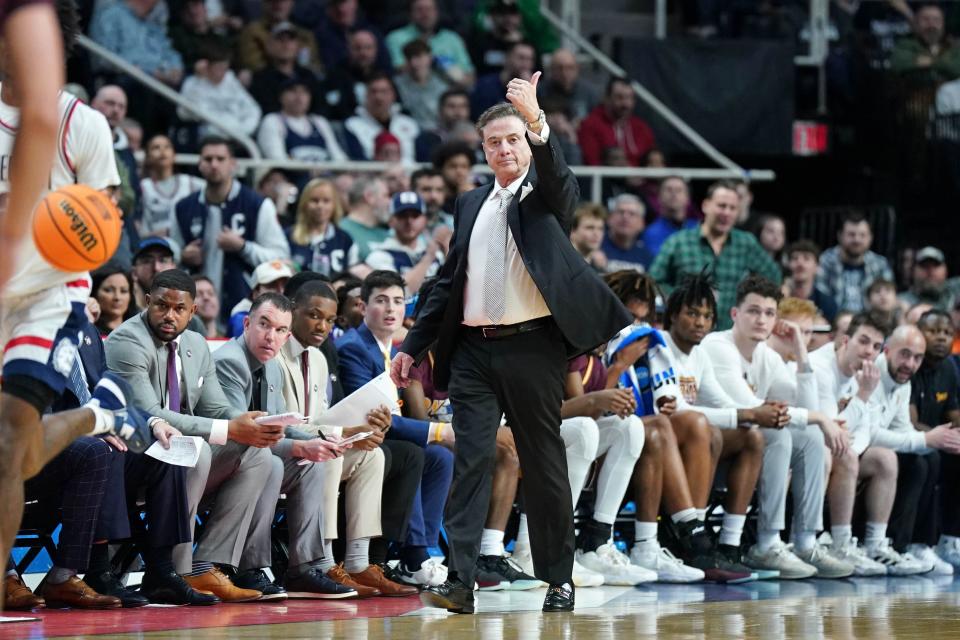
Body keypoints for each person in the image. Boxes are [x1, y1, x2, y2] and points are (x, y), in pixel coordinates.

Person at [391, 72, 633, 614]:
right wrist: (414, 343)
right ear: (483, 150)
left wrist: (538, 120)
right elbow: (449, 281)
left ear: (527, 144)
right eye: (494, 142)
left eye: (512, 139)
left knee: (543, 462)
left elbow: (566, 192)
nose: (503, 148)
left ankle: (558, 579)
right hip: (475, 349)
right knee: (471, 457)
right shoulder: (469, 203)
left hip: (533, 348)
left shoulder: (543, 195)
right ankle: (460, 578)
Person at [0, 0, 153, 606]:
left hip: (46, 296)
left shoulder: (79, 124)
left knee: (11, 441)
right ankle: (99, 414)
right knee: (15, 448)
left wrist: (59, 224)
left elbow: (105, 219)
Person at [103, 269, 279, 603]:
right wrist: (228, 429)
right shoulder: (127, 341)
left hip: (181, 453)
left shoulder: (196, 344)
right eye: (161, 306)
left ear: (192, 311)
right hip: (136, 455)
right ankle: (176, 570)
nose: (169, 315)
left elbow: (215, 409)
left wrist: (246, 425)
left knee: (257, 454)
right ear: (146, 301)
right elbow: (150, 411)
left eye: (178, 309)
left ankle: (208, 564)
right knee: (198, 450)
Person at [701, 275, 853, 579]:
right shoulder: (718, 346)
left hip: (748, 444)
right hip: (711, 445)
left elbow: (807, 408)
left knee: (809, 436)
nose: (762, 320)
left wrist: (800, 350)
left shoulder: (767, 356)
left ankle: (805, 543)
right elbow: (752, 410)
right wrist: (819, 418)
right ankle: (767, 544)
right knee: (778, 432)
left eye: (769, 313)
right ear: (735, 314)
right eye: (754, 311)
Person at [278, 281, 420, 597]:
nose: (322, 326)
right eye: (314, 316)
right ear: (292, 311)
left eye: (329, 320)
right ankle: (323, 561)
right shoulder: (275, 354)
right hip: (287, 452)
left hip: (317, 444)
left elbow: (323, 418)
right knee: (330, 453)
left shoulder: (317, 358)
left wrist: (361, 432)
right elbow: (286, 425)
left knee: (374, 455)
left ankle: (358, 561)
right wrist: (343, 435)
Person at [212, 292, 357, 599]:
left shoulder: (273, 366)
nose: (270, 336)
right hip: (216, 459)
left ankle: (303, 568)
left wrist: (320, 442)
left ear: (287, 335)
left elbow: (278, 427)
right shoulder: (229, 362)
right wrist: (301, 447)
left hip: (250, 457)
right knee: (270, 462)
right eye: (264, 325)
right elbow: (245, 436)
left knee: (311, 466)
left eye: (279, 331)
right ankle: (251, 568)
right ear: (248, 324)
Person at [657, 273, 782, 581]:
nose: (700, 322)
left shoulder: (699, 354)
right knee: (702, 425)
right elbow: (678, 409)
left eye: (707, 316)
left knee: (751, 436)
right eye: (692, 314)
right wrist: (749, 413)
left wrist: (753, 415)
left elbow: (724, 403)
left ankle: (729, 543)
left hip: (690, 439)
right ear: (673, 315)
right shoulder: (658, 346)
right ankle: (692, 535)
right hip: (658, 439)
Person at [337, 271, 454, 589]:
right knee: (414, 453)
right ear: (362, 307)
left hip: (384, 438)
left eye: (398, 301)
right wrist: (440, 431)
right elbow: (375, 417)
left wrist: (439, 435)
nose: (391, 309)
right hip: (357, 438)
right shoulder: (353, 348)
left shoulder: (399, 350)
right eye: (381, 301)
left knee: (440, 459)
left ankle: (421, 554)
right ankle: (415, 555)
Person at [172, 136, 290, 321]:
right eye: (208, 159)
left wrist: (244, 247)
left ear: (233, 164)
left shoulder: (257, 204)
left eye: (220, 159)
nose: (214, 164)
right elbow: (172, 257)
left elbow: (280, 257)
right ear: (200, 164)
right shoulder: (183, 207)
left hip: (243, 306)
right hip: (194, 308)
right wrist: (182, 256)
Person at [650, 181, 782, 330]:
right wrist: (682, 297)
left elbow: (773, 276)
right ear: (705, 205)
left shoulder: (746, 243)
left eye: (732, 208)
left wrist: (751, 302)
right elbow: (654, 281)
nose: (726, 213)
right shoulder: (678, 242)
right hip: (686, 333)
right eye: (721, 206)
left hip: (730, 334)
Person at [902, 310, 960, 573]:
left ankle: (949, 540)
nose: (941, 338)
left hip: (936, 440)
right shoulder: (909, 364)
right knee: (930, 458)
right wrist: (942, 438)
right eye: (934, 331)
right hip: (907, 440)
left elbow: (954, 414)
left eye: (947, 333)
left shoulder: (949, 367)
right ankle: (917, 543)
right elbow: (909, 421)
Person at [364, 192, 445, 294]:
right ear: (391, 221)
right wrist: (427, 259)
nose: (409, 221)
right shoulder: (379, 256)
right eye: (403, 216)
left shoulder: (436, 254)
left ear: (424, 220)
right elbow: (401, 292)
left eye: (415, 215)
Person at [815, 212, 894, 313]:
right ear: (840, 236)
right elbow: (820, 298)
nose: (857, 240)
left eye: (862, 235)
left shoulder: (880, 264)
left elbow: (889, 300)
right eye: (851, 234)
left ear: (870, 238)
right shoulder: (825, 261)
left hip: (871, 323)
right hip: (833, 322)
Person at [178, 45, 262, 139]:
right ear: (207, 66)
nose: (222, 73)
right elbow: (183, 113)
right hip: (206, 136)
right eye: (218, 68)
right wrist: (200, 80)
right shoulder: (192, 83)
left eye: (225, 68)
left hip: (237, 136)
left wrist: (243, 132)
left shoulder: (230, 80)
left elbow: (252, 110)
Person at [256, 78, 349, 164]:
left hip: (326, 178)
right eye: (293, 91)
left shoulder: (319, 122)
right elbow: (277, 161)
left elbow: (339, 158)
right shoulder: (272, 121)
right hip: (292, 179)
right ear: (281, 97)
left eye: (304, 92)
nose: (299, 97)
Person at [385, 0, 475, 86]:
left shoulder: (452, 39)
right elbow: (398, 70)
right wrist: (433, 63)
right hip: (409, 92)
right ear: (410, 14)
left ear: (437, 12)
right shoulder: (396, 38)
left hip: (448, 92)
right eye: (419, 10)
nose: (425, 14)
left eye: (429, 9)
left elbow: (469, 76)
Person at [578, 76, 656, 167]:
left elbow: (652, 160)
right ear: (607, 98)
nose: (625, 103)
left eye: (629, 97)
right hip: (606, 179)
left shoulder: (641, 127)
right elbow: (592, 162)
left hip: (641, 179)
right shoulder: (590, 125)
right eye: (619, 97)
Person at [287, 178, 358, 276]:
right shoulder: (289, 236)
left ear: (334, 205)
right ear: (304, 204)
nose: (320, 206)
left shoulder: (345, 240)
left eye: (326, 201)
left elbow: (353, 275)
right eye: (314, 200)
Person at [139, 134, 205, 238]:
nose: (162, 151)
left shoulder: (190, 182)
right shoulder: (143, 187)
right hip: (155, 246)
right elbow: (140, 231)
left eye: (167, 147)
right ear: (147, 157)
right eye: (156, 147)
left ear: (174, 155)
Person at [236, 0, 320, 73]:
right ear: (264, 3)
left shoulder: (305, 35)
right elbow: (254, 67)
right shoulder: (252, 32)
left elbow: (316, 68)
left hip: (305, 84)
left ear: (292, 2)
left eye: (284, 1)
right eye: (274, 0)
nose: (279, 5)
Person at [890, 2, 960, 81]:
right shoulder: (905, 45)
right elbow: (898, 65)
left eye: (936, 20)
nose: (931, 25)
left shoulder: (954, 46)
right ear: (916, 23)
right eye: (925, 20)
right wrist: (944, 63)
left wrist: (929, 62)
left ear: (943, 23)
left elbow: (957, 68)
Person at [226, 260, 293, 338]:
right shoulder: (241, 318)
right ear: (255, 292)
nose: (281, 291)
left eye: (285, 285)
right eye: (272, 285)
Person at [394, 39, 449, 132]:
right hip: (409, 131)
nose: (413, 63)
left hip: (440, 131)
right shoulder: (397, 85)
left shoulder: (442, 84)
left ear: (430, 58)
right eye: (409, 58)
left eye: (418, 57)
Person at [471, 40, 536, 120]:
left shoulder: (532, 89)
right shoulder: (485, 85)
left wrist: (528, 92)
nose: (525, 64)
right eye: (521, 58)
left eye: (529, 59)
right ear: (507, 58)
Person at [782, 240, 839, 323]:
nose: (800, 263)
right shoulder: (779, 296)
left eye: (806, 258)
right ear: (788, 265)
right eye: (795, 258)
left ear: (817, 267)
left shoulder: (827, 303)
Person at [339, 175, 391, 263]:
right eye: (385, 195)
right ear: (369, 197)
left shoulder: (388, 234)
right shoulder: (340, 231)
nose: (389, 201)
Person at [537, 48, 597, 125]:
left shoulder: (589, 92)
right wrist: (547, 119)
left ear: (577, 68)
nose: (564, 73)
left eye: (570, 68)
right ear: (551, 69)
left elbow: (598, 120)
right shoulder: (541, 91)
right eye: (559, 68)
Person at [641, 177, 698, 257]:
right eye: (669, 190)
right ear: (659, 197)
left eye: (678, 190)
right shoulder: (650, 233)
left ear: (687, 198)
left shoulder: (698, 229)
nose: (673, 194)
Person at [601, 194, 653, 273]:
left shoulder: (647, 257)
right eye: (621, 212)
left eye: (632, 214)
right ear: (609, 218)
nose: (625, 217)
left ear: (641, 224)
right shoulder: (595, 247)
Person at [91, 262, 136, 335]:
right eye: (108, 290)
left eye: (123, 291)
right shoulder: (87, 332)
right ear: (95, 293)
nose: (117, 297)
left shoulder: (141, 331)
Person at [569, 203, 608, 272]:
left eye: (600, 229)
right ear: (572, 232)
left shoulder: (600, 268)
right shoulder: (560, 263)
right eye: (590, 228)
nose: (596, 233)